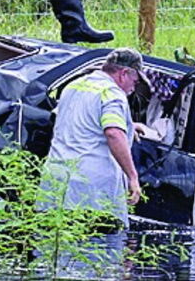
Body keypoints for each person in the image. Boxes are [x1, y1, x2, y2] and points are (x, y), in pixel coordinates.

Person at [43, 48, 145, 228]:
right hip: (90, 189)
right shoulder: (112, 93)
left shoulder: (75, 85)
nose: (133, 88)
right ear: (124, 73)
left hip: (56, 180)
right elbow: (113, 133)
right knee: (94, 248)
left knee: (56, 244)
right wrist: (132, 177)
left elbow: (78, 120)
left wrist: (128, 126)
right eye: (134, 81)